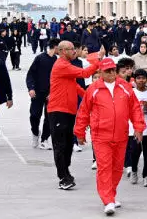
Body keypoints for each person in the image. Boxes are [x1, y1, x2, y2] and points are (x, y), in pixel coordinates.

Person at [74, 58, 144, 216]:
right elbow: (83, 111)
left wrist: (139, 127)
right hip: (101, 137)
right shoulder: (93, 89)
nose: (111, 73)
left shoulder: (125, 87)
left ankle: (110, 194)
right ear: (100, 73)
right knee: (105, 168)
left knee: (117, 168)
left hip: (121, 135)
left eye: (113, 70)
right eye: (107, 71)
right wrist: (79, 132)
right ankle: (108, 200)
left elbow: (134, 108)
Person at [48, 40, 100, 190]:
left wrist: (89, 98)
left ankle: (66, 172)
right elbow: (84, 74)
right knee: (60, 145)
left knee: (68, 144)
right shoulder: (62, 65)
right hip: (58, 111)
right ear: (63, 51)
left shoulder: (66, 67)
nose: (74, 52)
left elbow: (76, 86)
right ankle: (63, 177)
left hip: (69, 111)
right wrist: (98, 61)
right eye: (72, 49)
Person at [26, 38, 59, 149]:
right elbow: (30, 74)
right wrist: (31, 88)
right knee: (34, 115)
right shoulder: (40, 58)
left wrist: (54, 92)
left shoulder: (57, 60)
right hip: (37, 92)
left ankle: (45, 139)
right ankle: (35, 133)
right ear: (55, 47)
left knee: (49, 117)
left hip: (51, 94)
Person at [128, 69, 147, 187]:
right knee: (135, 152)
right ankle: (134, 171)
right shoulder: (131, 92)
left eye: (143, 78)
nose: (141, 80)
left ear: (146, 79)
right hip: (134, 128)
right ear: (135, 79)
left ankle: (146, 175)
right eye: (138, 78)